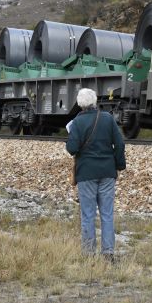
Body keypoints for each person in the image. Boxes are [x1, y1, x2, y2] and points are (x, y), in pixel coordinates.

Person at [65, 88, 126, 261]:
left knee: (88, 215)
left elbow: (72, 149)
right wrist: (119, 165)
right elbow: (120, 144)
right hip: (107, 172)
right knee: (107, 214)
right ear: (95, 101)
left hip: (86, 173)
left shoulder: (77, 122)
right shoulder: (107, 118)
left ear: (79, 104)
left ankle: (89, 254)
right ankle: (108, 253)